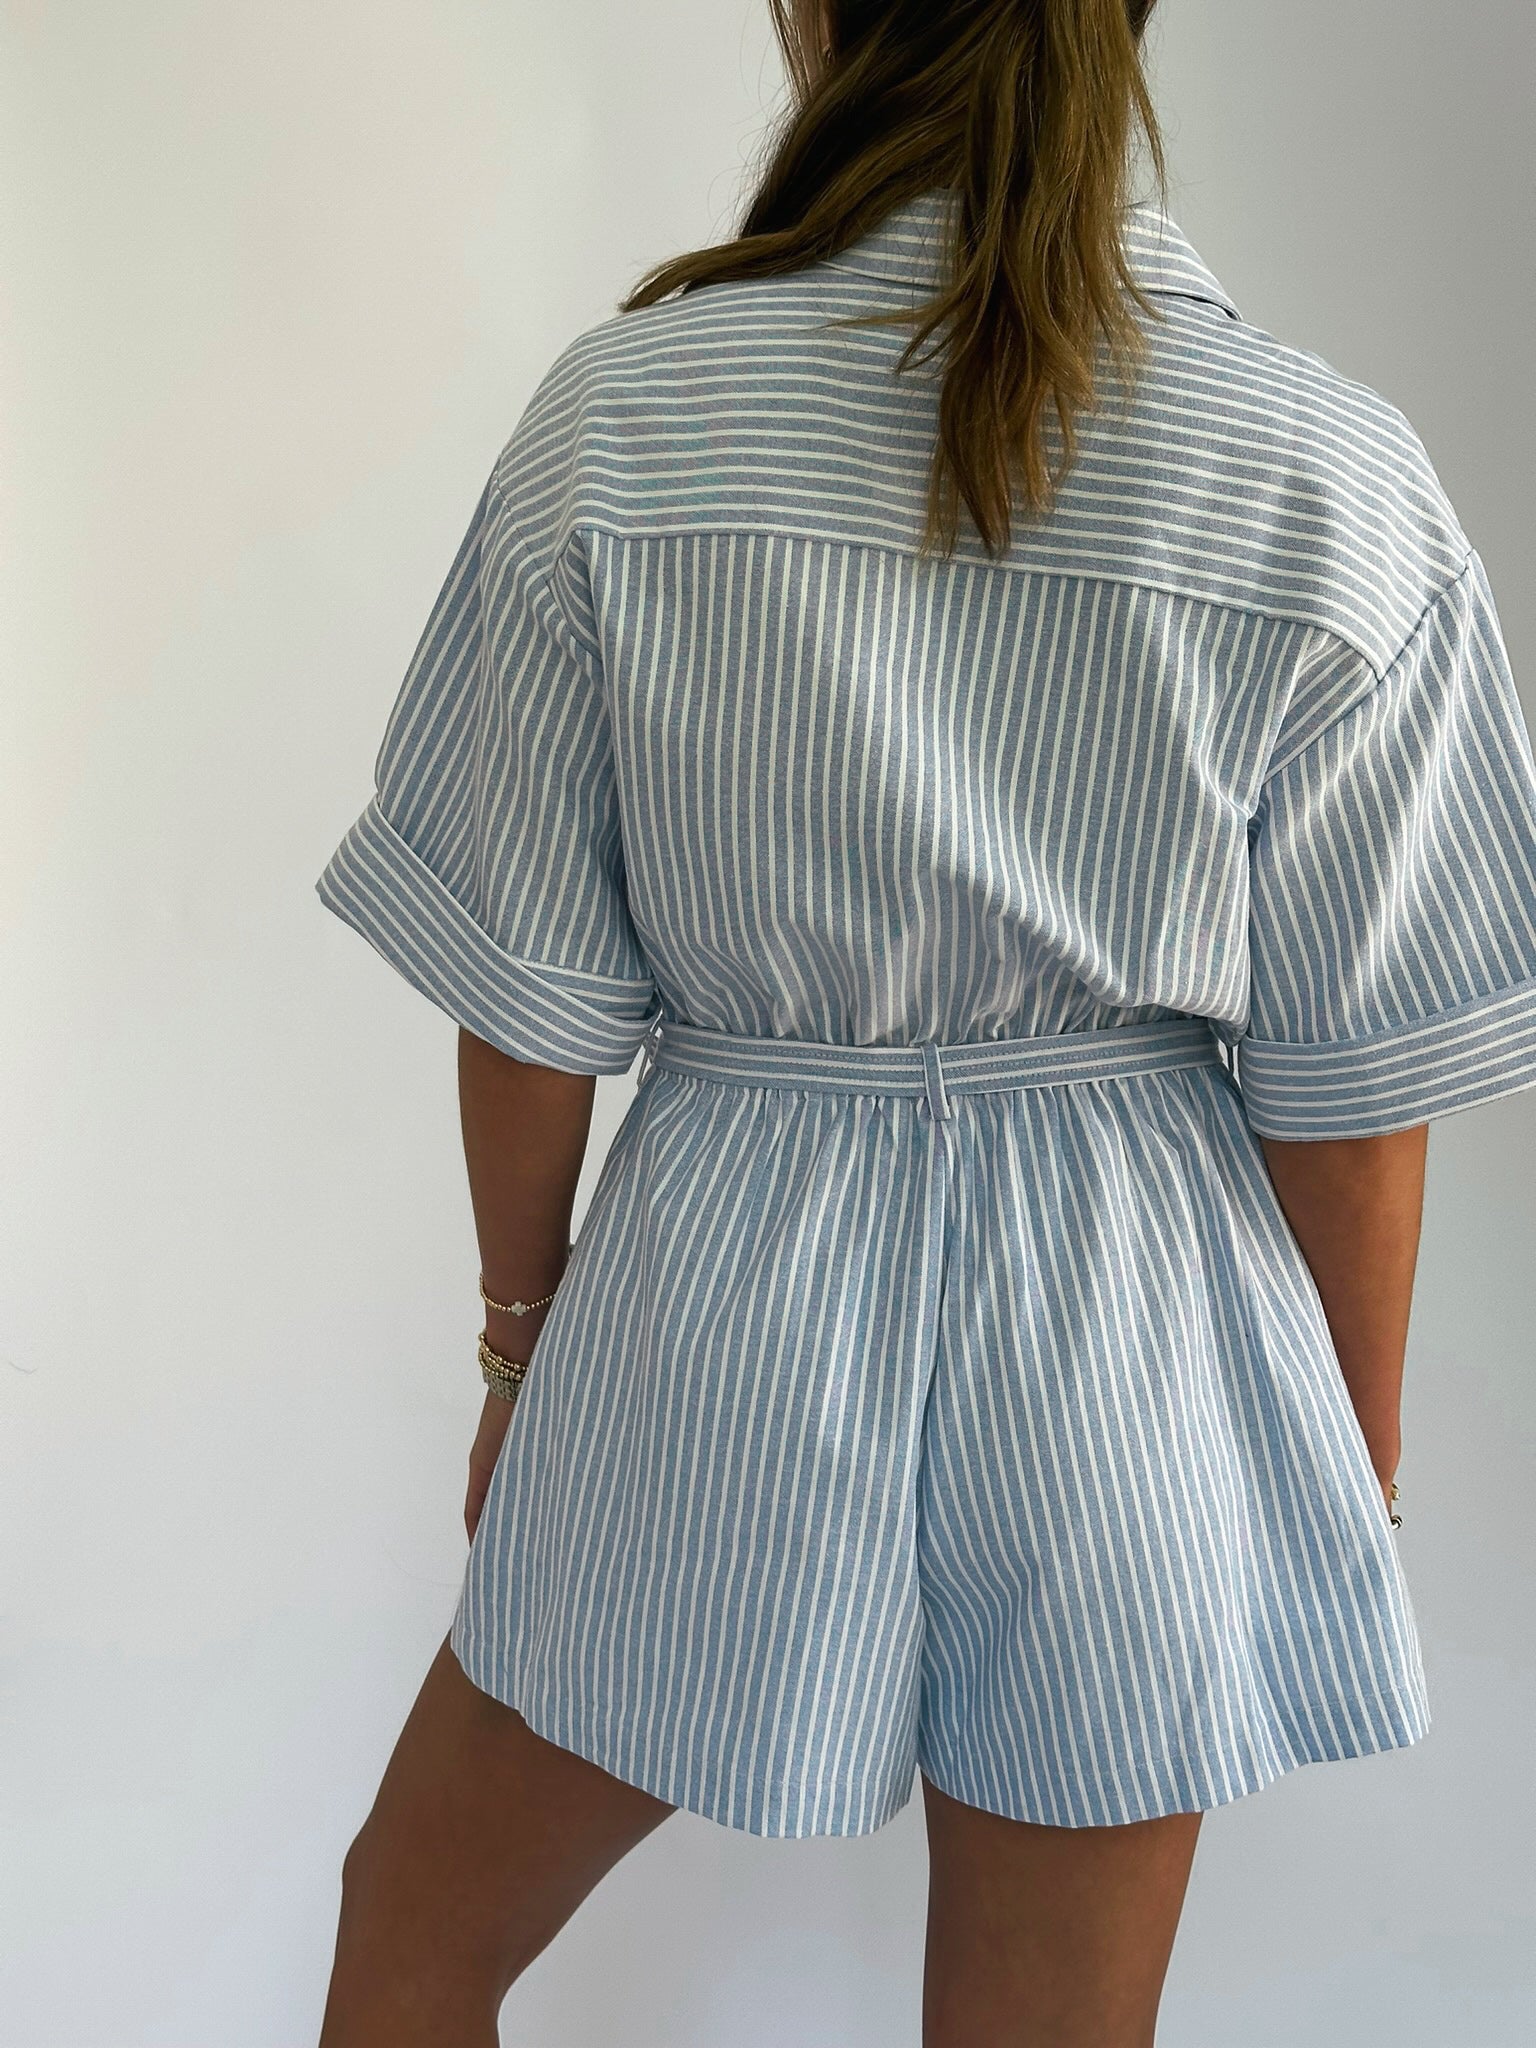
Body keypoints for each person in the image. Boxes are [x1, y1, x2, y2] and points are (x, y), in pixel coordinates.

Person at [312, 3, 1536, 2042]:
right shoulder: (1325, 466)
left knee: (414, 1929)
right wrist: (1351, 1464)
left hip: (725, 1279)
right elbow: (1355, 1095)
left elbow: (529, 1006)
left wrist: (520, 1354)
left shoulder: (628, 420)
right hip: (1140, 1325)